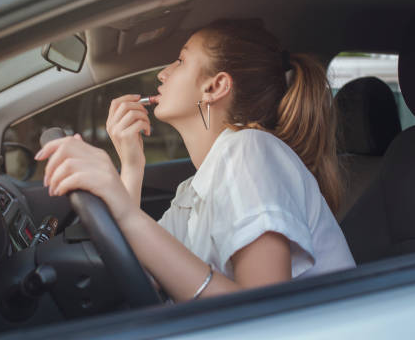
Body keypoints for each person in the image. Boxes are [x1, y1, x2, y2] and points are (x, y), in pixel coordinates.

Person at [35, 19, 356, 302]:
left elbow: (262, 316)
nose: (163, 73)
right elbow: (144, 271)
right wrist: (131, 166)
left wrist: (120, 205)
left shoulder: (250, 151)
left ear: (214, 87)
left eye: (180, 60)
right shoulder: (193, 190)